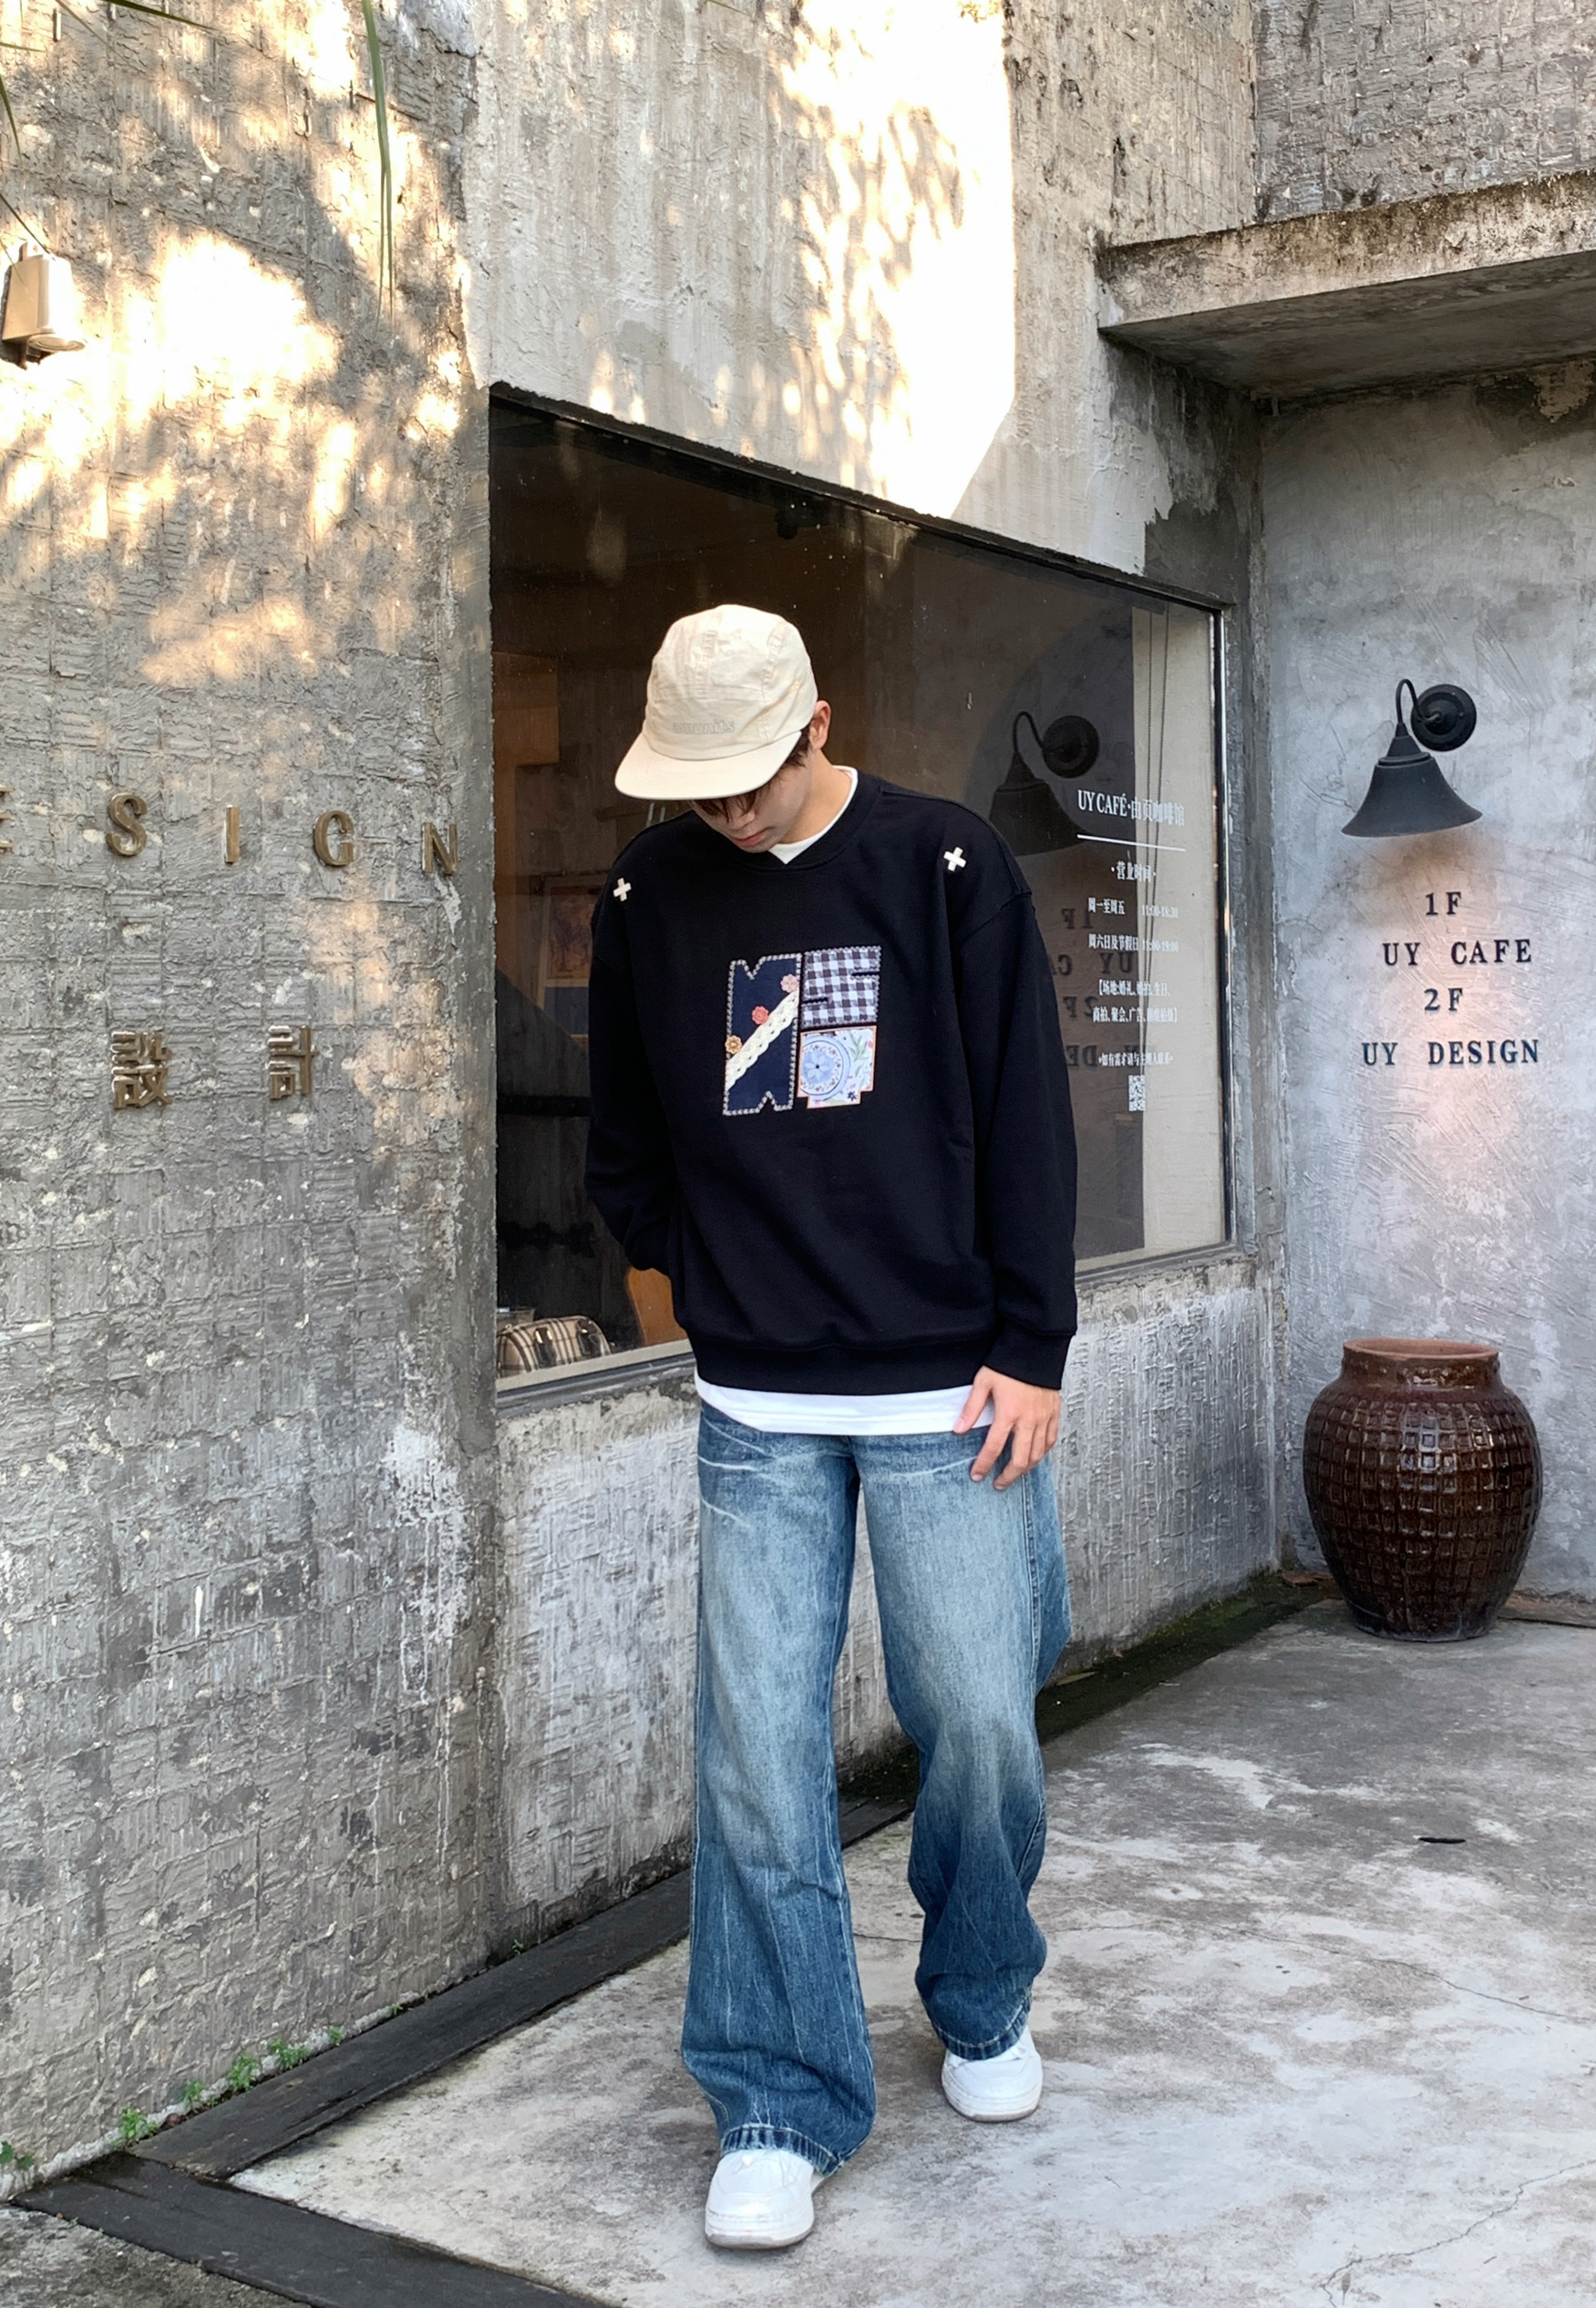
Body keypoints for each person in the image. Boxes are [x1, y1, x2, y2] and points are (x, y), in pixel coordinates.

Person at [585, 603, 1076, 2251]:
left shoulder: (943, 864)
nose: (725, 812)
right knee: (755, 1758)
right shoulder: (649, 894)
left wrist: (1033, 1342)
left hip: (952, 1388)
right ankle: (777, 2093)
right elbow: (623, 1129)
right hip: (755, 1399)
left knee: (980, 1718)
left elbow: (1025, 1107)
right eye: (697, 785)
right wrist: (693, 1268)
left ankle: (982, 1986)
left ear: (815, 726)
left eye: (748, 777)